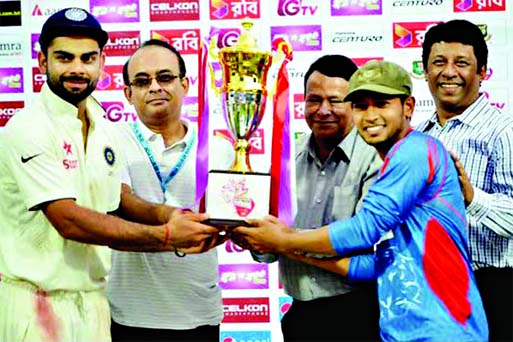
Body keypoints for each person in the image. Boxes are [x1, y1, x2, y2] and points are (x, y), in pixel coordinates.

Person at [0, 8, 221, 342]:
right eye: (64, 57)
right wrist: (167, 236)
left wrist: (171, 215)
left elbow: (116, 201)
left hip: (94, 306)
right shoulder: (28, 127)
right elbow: (68, 220)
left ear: (101, 62)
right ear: (43, 62)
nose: (77, 68)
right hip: (37, 304)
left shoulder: (103, 125)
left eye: (88, 58)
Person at [234, 60, 489, 341]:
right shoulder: (291, 159)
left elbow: (363, 229)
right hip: (398, 330)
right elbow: (373, 263)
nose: (370, 115)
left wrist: (284, 240)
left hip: (443, 327)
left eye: (381, 104)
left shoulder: (415, 150)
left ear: (408, 107)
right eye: (360, 105)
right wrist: (269, 240)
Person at [252, 55, 381, 341]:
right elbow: (267, 250)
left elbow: (359, 240)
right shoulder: (286, 159)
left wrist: (285, 240)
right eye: (314, 100)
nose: (323, 110)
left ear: (356, 104)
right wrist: (247, 231)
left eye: (335, 100)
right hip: (300, 316)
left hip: (360, 313)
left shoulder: (374, 158)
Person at [106, 39, 223, 342]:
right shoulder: (109, 140)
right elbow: (118, 201)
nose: (155, 87)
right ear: (128, 94)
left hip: (199, 314)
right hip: (130, 315)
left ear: (185, 84)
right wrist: (174, 218)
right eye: (143, 81)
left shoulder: (218, 146)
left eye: (165, 77)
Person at [417, 19, 513, 341]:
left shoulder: (503, 132)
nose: (449, 72)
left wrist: (472, 198)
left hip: (493, 288)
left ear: (482, 72)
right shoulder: (418, 136)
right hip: (431, 288)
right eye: (439, 62)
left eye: (462, 63)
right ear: (425, 70)